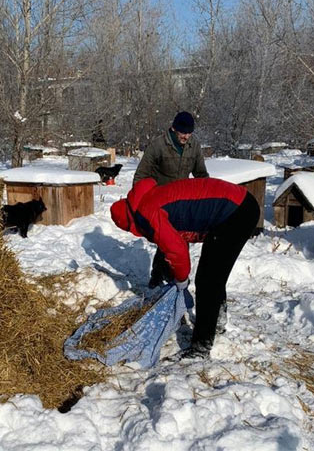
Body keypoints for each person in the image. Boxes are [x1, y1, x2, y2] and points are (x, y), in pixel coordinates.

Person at [110, 177, 259, 360]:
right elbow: (175, 236)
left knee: (208, 280)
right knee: (213, 273)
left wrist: (181, 280)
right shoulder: (149, 199)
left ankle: (200, 348)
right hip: (238, 205)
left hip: (236, 212)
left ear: (129, 224)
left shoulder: (145, 212)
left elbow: (176, 249)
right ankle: (216, 322)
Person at [133, 111, 209, 288]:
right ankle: (158, 275)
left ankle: (175, 276)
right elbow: (142, 174)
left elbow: (201, 174)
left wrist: (206, 195)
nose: (186, 136)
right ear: (174, 129)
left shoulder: (194, 145)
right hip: (161, 201)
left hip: (183, 201)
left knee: (182, 240)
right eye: (183, 132)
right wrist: (138, 202)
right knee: (166, 239)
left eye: (189, 132)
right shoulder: (159, 145)